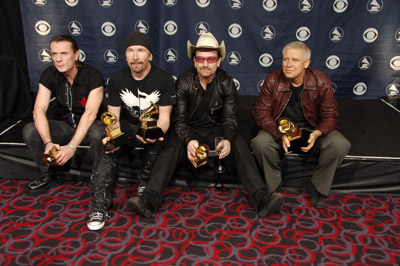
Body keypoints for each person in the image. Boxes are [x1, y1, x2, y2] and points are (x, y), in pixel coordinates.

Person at [127, 32, 284, 219]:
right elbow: (179, 120)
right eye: (200, 58)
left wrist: (226, 139)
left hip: (216, 130)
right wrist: (189, 139)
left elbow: (229, 119)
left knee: (239, 145)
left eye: (211, 59)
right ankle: (148, 200)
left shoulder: (226, 83)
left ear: (219, 61)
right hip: (189, 129)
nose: (205, 63)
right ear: (194, 61)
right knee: (170, 148)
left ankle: (262, 199)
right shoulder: (184, 81)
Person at [88, 31, 176, 230]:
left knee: (162, 137)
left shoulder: (164, 79)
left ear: (150, 56)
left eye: (141, 51)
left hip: (151, 126)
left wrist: (154, 133)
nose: (135, 56)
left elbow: (164, 119)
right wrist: (113, 137)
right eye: (130, 51)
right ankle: (100, 204)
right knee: (106, 141)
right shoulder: (117, 79)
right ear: (126, 55)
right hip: (126, 128)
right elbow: (114, 119)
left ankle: (144, 182)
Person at [251, 41, 351, 209]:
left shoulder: (321, 81)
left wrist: (317, 133)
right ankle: (274, 189)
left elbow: (330, 116)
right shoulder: (272, 80)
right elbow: (261, 113)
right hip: (280, 132)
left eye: (295, 60)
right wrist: (279, 134)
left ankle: (318, 187)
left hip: (310, 130)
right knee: (259, 142)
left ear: (306, 63)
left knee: (340, 144)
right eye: (285, 59)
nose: (289, 64)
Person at [22, 35, 105, 218]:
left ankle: (99, 178)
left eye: (64, 54)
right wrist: (48, 143)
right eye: (54, 54)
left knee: (99, 132)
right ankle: (50, 173)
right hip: (66, 126)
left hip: (89, 126)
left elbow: (90, 113)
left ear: (76, 55)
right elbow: (39, 110)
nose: (58, 59)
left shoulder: (93, 75)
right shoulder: (49, 74)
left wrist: (72, 147)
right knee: (30, 130)